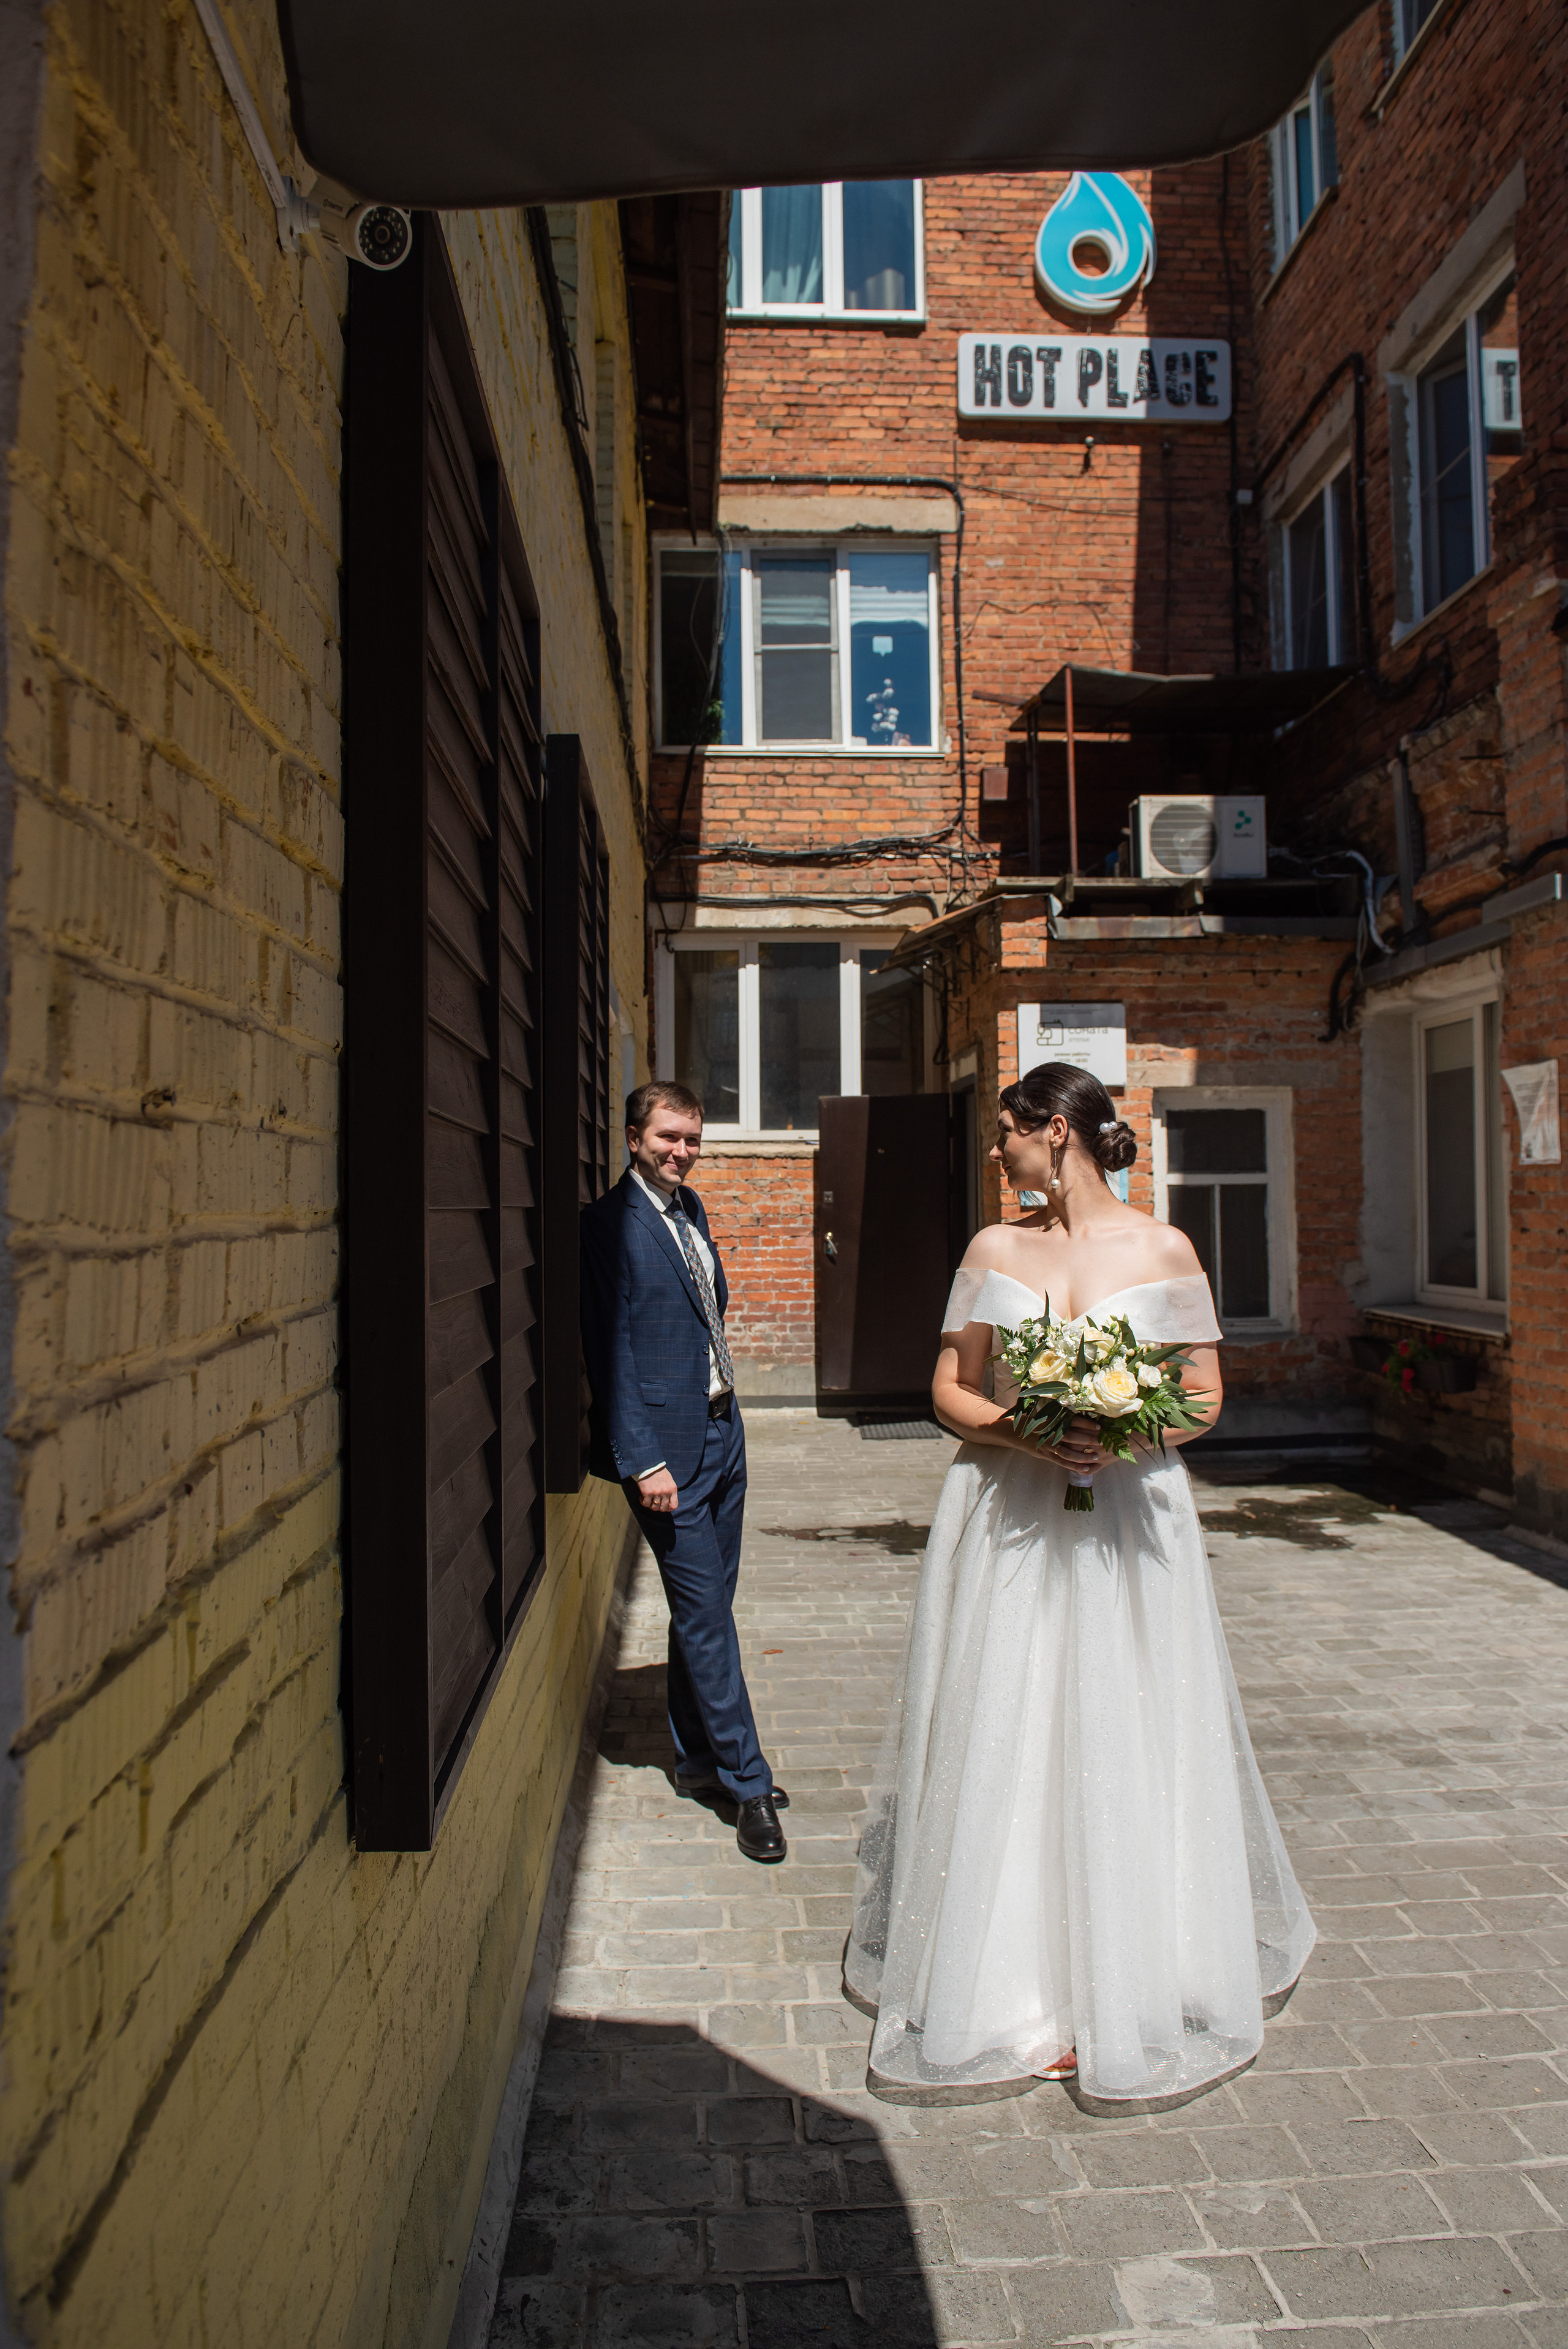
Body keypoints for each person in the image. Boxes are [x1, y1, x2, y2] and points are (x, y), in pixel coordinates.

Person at [845, 1063, 1314, 2106]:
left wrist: (1126, 1426)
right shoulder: (994, 1248)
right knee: (1006, 1721)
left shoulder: (1165, 1248)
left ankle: (1142, 1972)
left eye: (1009, 1135)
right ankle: (1009, 1987)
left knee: (1130, 1722)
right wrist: (1032, 1428)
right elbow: (948, 1388)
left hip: (1131, 1520)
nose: (1001, 1155)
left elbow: (1203, 1397)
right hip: (1008, 1515)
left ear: (1053, 1132)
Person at [580, 1080, 788, 1863]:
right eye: (668, 1138)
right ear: (633, 1137)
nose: (681, 1152)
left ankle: (699, 1758)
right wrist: (644, 1462)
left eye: (692, 1140)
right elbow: (609, 1354)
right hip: (667, 1455)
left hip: (721, 1433)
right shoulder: (607, 1225)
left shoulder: (690, 1210)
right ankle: (748, 1782)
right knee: (706, 1616)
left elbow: (706, 1312)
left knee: (705, 1610)